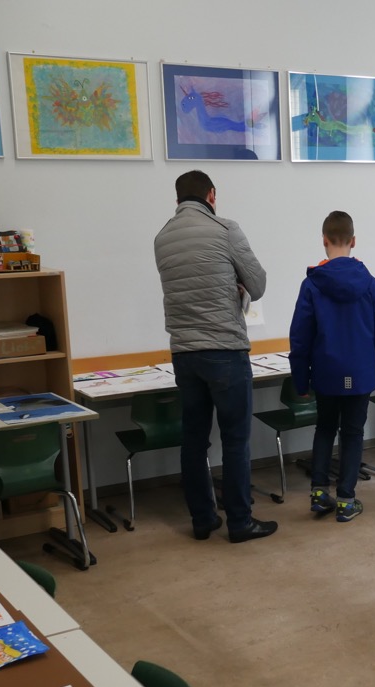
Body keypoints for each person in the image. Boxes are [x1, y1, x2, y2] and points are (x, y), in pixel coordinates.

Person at [154, 170, 276, 543]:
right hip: (225, 350)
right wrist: (237, 289)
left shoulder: (162, 238)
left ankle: (203, 519)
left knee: (194, 440)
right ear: (212, 195)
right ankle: (240, 522)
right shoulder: (225, 229)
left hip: (184, 354)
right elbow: (258, 284)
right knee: (236, 439)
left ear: (177, 201)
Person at [289, 211, 375, 523]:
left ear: (324, 240)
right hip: (360, 374)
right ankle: (347, 500)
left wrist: (300, 380)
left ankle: (319, 493)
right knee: (353, 433)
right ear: (354, 241)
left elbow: (300, 337)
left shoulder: (312, 284)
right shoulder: (370, 284)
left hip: (326, 373)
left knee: (324, 428)